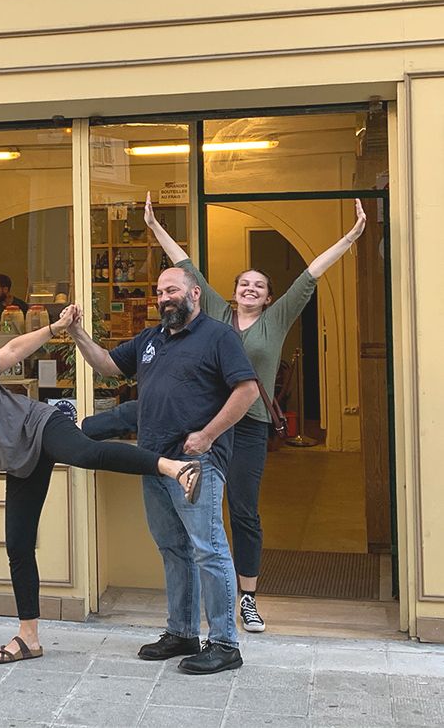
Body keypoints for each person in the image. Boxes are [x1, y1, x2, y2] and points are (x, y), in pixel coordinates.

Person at [0, 306, 202, 666]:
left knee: (85, 453)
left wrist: (56, 327)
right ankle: (29, 638)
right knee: (18, 547)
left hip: (40, 426)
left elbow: (13, 351)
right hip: (20, 465)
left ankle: (175, 468)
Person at [144, 193, 367, 633]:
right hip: (207, 426)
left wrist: (351, 237)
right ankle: (197, 605)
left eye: (259, 286)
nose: (250, 289)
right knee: (197, 512)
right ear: (232, 291)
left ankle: (247, 598)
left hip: (248, 429)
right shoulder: (217, 312)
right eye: (244, 283)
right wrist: (153, 226)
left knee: (243, 511)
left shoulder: (277, 319)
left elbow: (311, 274)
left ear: (268, 299)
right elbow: (186, 266)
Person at [68, 267, 258, 675]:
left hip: (195, 464)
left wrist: (208, 435)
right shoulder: (151, 339)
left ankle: (225, 643)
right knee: (173, 549)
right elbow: (106, 365)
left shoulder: (219, 336)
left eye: (171, 290)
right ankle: (183, 632)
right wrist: (77, 333)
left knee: (209, 550)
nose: (163, 298)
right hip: (154, 462)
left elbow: (248, 390)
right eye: (159, 292)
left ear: (194, 293)